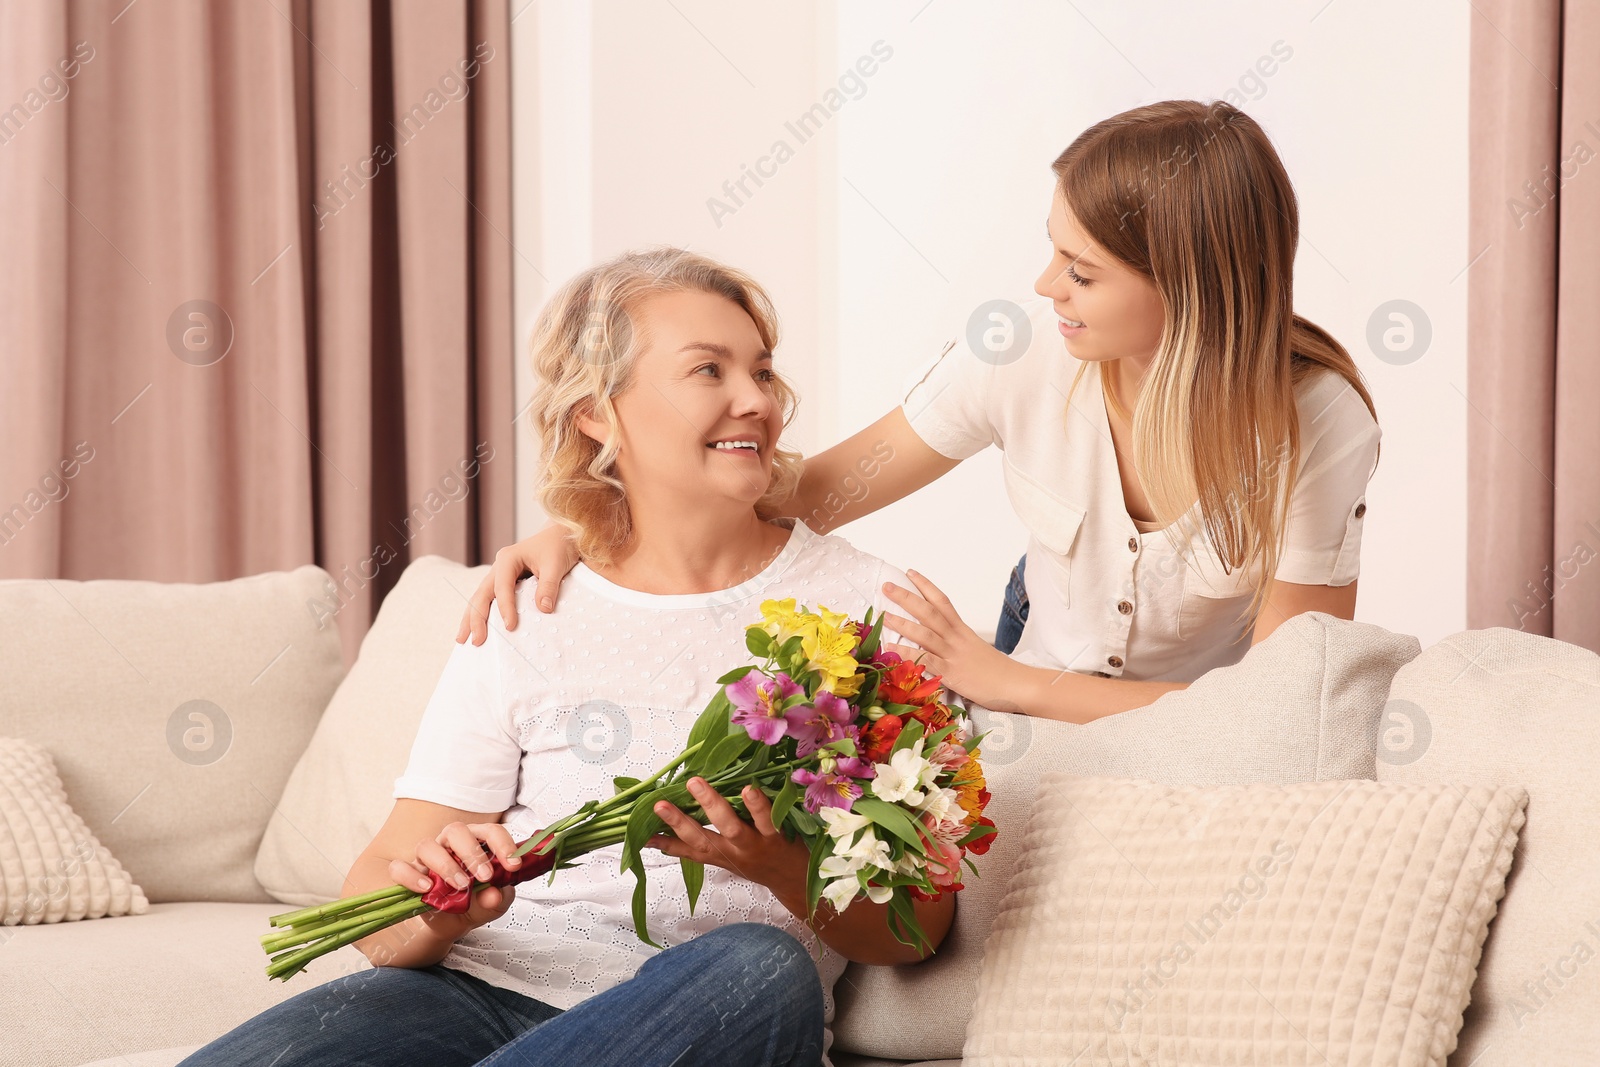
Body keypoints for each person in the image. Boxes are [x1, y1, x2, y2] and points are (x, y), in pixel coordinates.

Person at [178, 248, 953, 1067]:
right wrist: (440, 911)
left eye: (762, 370)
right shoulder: (532, 604)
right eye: (708, 370)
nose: (756, 400)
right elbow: (376, 892)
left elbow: (920, 927)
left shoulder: (873, 611)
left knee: (763, 965)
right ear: (595, 412)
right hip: (469, 992)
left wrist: (779, 866)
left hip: (700, 1003)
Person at [457, 99, 1383, 726]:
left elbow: (1280, 707)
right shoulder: (1020, 352)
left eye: (1083, 271)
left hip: (1172, 714)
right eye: (1053, 250)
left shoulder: (1320, 423)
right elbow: (808, 493)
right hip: (1028, 680)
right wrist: (594, 526)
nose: (1044, 285)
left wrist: (1005, 680)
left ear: (1190, 284)